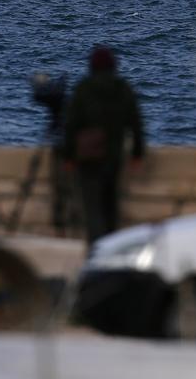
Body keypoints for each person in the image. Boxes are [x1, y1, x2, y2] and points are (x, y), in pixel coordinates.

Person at [62, 46, 145, 247]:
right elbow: (136, 124)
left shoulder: (84, 88)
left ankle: (96, 251)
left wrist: (69, 156)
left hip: (88, 159)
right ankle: (112, 249)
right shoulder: (123, 88)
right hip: (113, 157)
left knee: (92, 209)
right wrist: (137, 154)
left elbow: (71, 126)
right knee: (111, 207)